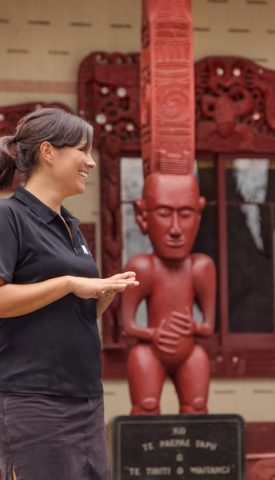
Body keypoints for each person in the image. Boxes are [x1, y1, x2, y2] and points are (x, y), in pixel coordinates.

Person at [0, 107, 139, 480]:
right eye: (83, 151)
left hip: (86, 400)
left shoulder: (70, 225)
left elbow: (53, 314)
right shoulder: (8, 216)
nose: (90, 163)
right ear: (48, 152)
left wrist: (99, 300)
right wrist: (69, 284)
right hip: (34, 401)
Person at [122, 172, 216, 415]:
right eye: (164, 214)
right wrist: (153, 334)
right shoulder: (143, 267)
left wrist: (193, 328)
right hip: (150, 350)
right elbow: (128, 325)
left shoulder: (201, 267)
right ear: (142, 216)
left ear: (199, 215)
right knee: (146, 407)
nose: (175, 229)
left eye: (185, 214)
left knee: (197, 407)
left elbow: (208, 327)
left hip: (189, 352)